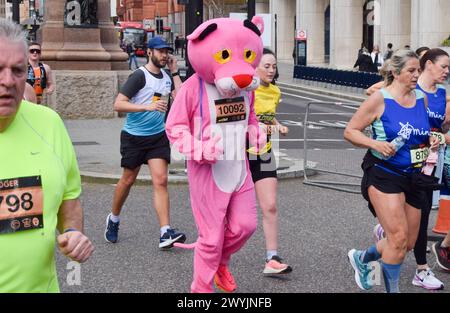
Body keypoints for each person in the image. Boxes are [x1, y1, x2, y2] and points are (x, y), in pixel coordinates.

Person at [165, 17, 266, 293]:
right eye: (225, 54)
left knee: (245, 226)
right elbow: (174, 127)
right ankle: (200, 289)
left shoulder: (247, 90)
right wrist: (199, 149)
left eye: (246, 55)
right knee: (210, 238)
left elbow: (251, 117)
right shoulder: (192, 88)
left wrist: (255, 132)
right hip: (207, 170)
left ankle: (221, 262)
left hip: (239, 166)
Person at [0, 18, 94, 292]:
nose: (7, 81)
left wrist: (73, 233)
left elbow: (69, 199)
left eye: (17, 70)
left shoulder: (49, 123)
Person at [344, 49, 440, 293]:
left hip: (415, 176)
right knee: (397, 240)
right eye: (411, 71)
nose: (416, 75)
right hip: (384, 173)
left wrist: (431, 141)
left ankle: (362, 258)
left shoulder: (421, 98)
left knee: (406, 243)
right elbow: (350, 131)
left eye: (418, 70)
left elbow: (420, 133)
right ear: (396, 73)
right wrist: (375, 143)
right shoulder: (380, 99)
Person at [373, 48, 449, 290]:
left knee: (416, 222)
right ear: (428, 65)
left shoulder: (438, 95)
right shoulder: (397, 91)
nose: (447, 71)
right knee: (401, 233)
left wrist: (439, 137)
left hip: (426, 162)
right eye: (444, 66)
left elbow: (435, 128)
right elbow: (376, 96)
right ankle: (421, 268)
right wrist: (377, 141)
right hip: (391, 168)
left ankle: (370, 253)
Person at [104, 36, 185, 249]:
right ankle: (113, 218)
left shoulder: (167, 76)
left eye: (166, 51)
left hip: (157, 137)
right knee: (128, 181)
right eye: (160, 51)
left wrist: (175, 71)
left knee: (161, 180)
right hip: (134, 138)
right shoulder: (139, 76)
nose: (164, 55)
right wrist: (146, 107)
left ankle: (165, 232)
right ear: (149, 52)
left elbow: (182, 97)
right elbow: (118, 104)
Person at [246, 48, 292, 275]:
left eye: (274, 66)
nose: (272, 70)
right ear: (254, 67)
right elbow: (247, 120)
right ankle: (216, 255)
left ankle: (272, 257)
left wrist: (277, 124)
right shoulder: (245, 91)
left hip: (263, 152)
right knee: (232, 213)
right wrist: (261, 127)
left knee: (270, 205)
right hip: (240, 153)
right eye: (267, 66)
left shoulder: (275, 91)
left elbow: (268, 115)